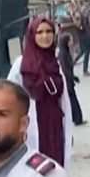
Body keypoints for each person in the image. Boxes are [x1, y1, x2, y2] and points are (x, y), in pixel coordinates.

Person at [8, 17, 75, 167]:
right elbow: (9, 96)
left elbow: (63, 99)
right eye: (40, 32)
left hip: (54, 124)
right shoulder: (21, 64)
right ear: (32, 35)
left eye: (49, 31)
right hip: (32, 122)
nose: (45, 36)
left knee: (55, 166)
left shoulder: (56, 63)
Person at [56, 19, 86, 126]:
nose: (72, 42)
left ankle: (76, 118)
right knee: (72, 100)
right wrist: (71, 78)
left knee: (72, 100)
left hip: (69, 80)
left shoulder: (66, 52)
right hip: (67, 82)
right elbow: (65, 69)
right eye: (70, 40)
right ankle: (77, 119)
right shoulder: (63, 54)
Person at [74, 2, 90, 76]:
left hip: (86, 36)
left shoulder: (84, 16)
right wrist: (80, 27)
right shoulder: (79, 16)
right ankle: (85, 70)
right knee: (86, 53)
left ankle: (73, 62)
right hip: (84, 37)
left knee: (83, 51)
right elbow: (78, 25)